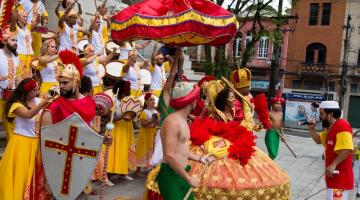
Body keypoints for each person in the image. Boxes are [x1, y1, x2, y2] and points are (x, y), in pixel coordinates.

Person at [27, 50, 97, 199]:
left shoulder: (89, 102)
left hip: (78, 159)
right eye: (60, 83)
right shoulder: (54, 106)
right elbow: (47, 144)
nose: (61, 86)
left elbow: (91, 133)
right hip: (59, 162)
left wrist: (104, 139)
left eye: (65, 83)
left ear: (76, 82)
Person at [157, 81, 212, 200]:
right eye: (195, 98)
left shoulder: (183, 120)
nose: (196, 101)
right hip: (172, 175)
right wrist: (189, 178)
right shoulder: (173, 122)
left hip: (181, 174)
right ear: (191, 101)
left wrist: (200, 158)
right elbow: (170, 156)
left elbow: (180, 150)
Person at [0, 78, 51, 200]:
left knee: (35, 175)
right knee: (20, 176)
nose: (37, 92)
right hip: (21, 144)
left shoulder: (39, 100)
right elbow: (28, 115)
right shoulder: (16, 105)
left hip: (37, 143)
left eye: (38, 89)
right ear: (26, 92)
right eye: (34, 90)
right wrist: (44, 102)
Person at [308, 101, 354, 200]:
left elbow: (347, 149)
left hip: (340, 178)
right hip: (334, 178)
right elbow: (318, 140)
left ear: (331, 114)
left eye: (321, 114)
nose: (320, 117)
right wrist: (312, 129)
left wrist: (333, 164)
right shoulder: (330, 128)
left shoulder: (342, 125)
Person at [106, 79, 136, 180]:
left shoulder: (128, 100)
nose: (130, 90)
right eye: (129, 88)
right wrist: (123, 116)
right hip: (116, 129)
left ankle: (123, 173)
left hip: (126, 128)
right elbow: (110, 117)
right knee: (114, 151)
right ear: (124, 90)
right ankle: (107, 176)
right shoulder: (114, 101)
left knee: (124, 150)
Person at [0, 26, 22, 136]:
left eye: (17, 40)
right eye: (13, 40)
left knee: (12, 129)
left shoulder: (16, 57)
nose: (16, 43)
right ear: (4, 40)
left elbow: (18, 76)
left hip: (11, 97)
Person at [10, 4, 40, 78]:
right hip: (20, 55)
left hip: (29, 55)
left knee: (28, 77)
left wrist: (38, 14)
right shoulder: (15, 28)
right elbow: (13, 20)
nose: (26, 18)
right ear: (17, 17)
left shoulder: (28, 27)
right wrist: (16, 8)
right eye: (23, 16)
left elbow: (37, 21)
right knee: (20, 76)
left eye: (26, 16)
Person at [135, 92, 159, 177]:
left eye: (153, 100)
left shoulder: (155, 111)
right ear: (146, 102)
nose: (153, 101)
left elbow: (156, 124)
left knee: (151, 150)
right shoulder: (144, 112)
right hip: (145, 134)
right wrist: (152, 120)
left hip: (152, 133)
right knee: (142, 150)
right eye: (151, 100)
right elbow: (143, 124)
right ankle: (138, 171)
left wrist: (156, 121)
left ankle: (150, 168)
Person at [266, 91, 285, 160]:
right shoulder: (269, 113)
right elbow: (264, 124)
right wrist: (268, 123)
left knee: (275, 153)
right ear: (272, 104)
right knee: (272, 152)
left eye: (280, 104)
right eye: (277, 103)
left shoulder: (281, 114)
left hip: (277, 134)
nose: (278, 105)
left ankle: (270, 164)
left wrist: (282, 135)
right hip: (270, 133)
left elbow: (281, 125)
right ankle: (269, 163)